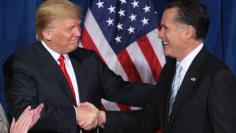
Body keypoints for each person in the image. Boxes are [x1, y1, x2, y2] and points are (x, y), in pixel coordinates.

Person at [3, 0, 158, 132]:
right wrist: (76, 114)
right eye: (70, 28)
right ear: (47, 33)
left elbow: (120, 90)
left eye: (78, 26)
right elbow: (27, 113)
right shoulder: (22, 64)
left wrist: (168, 92)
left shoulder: (88, 58)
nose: (78, 33)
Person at [156, 0, 236, 133]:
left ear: (188, 32)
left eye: (165, 28)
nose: (160, 34)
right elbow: (152, 117)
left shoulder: (217, 76)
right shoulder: (168, 71)